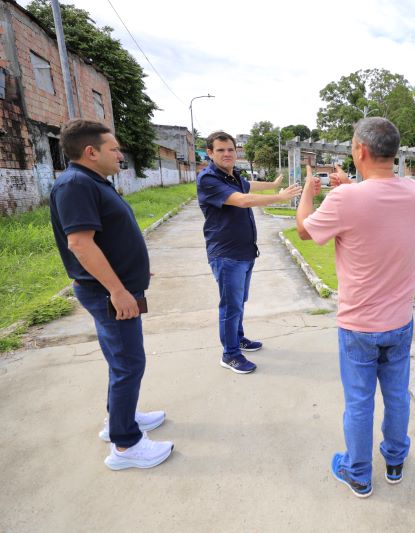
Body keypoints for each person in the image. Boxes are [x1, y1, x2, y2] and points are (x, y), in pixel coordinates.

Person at [295, 118, 415, 498]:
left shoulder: (345, 200)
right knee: (397, 395)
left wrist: (308, 190)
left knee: (359, 403)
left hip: (359, 328)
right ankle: (395, 462)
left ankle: (358, 473)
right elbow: (379, 201)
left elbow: (305, 230)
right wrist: (351, 188)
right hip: (400, 321)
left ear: (360, 151)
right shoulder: (414, 192)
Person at [50, 119, 172, 470]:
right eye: (114, 148)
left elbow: (107, 237)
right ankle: (125, 444)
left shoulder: (93, 181)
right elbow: (80, 244)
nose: (121, 154)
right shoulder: (75, 184)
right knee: (129, 362)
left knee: (122, 361)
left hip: (116, 287)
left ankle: (121, 418)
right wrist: (117, 289)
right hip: (107, 294)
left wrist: (132, 267)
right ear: (91, 152)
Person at [197, 131, 301, 374]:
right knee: (230, 306)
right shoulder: (209, 179)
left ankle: (238, 339)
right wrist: (280, 197)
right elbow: (243, 200)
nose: (227, 154)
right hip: (226, 254)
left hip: (244, 251)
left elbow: (251, 185)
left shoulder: (233, 176)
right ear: (210, 153)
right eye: (220, 150)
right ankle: (230, 354)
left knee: (239, 302)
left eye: (230, 149)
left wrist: (274, 184)